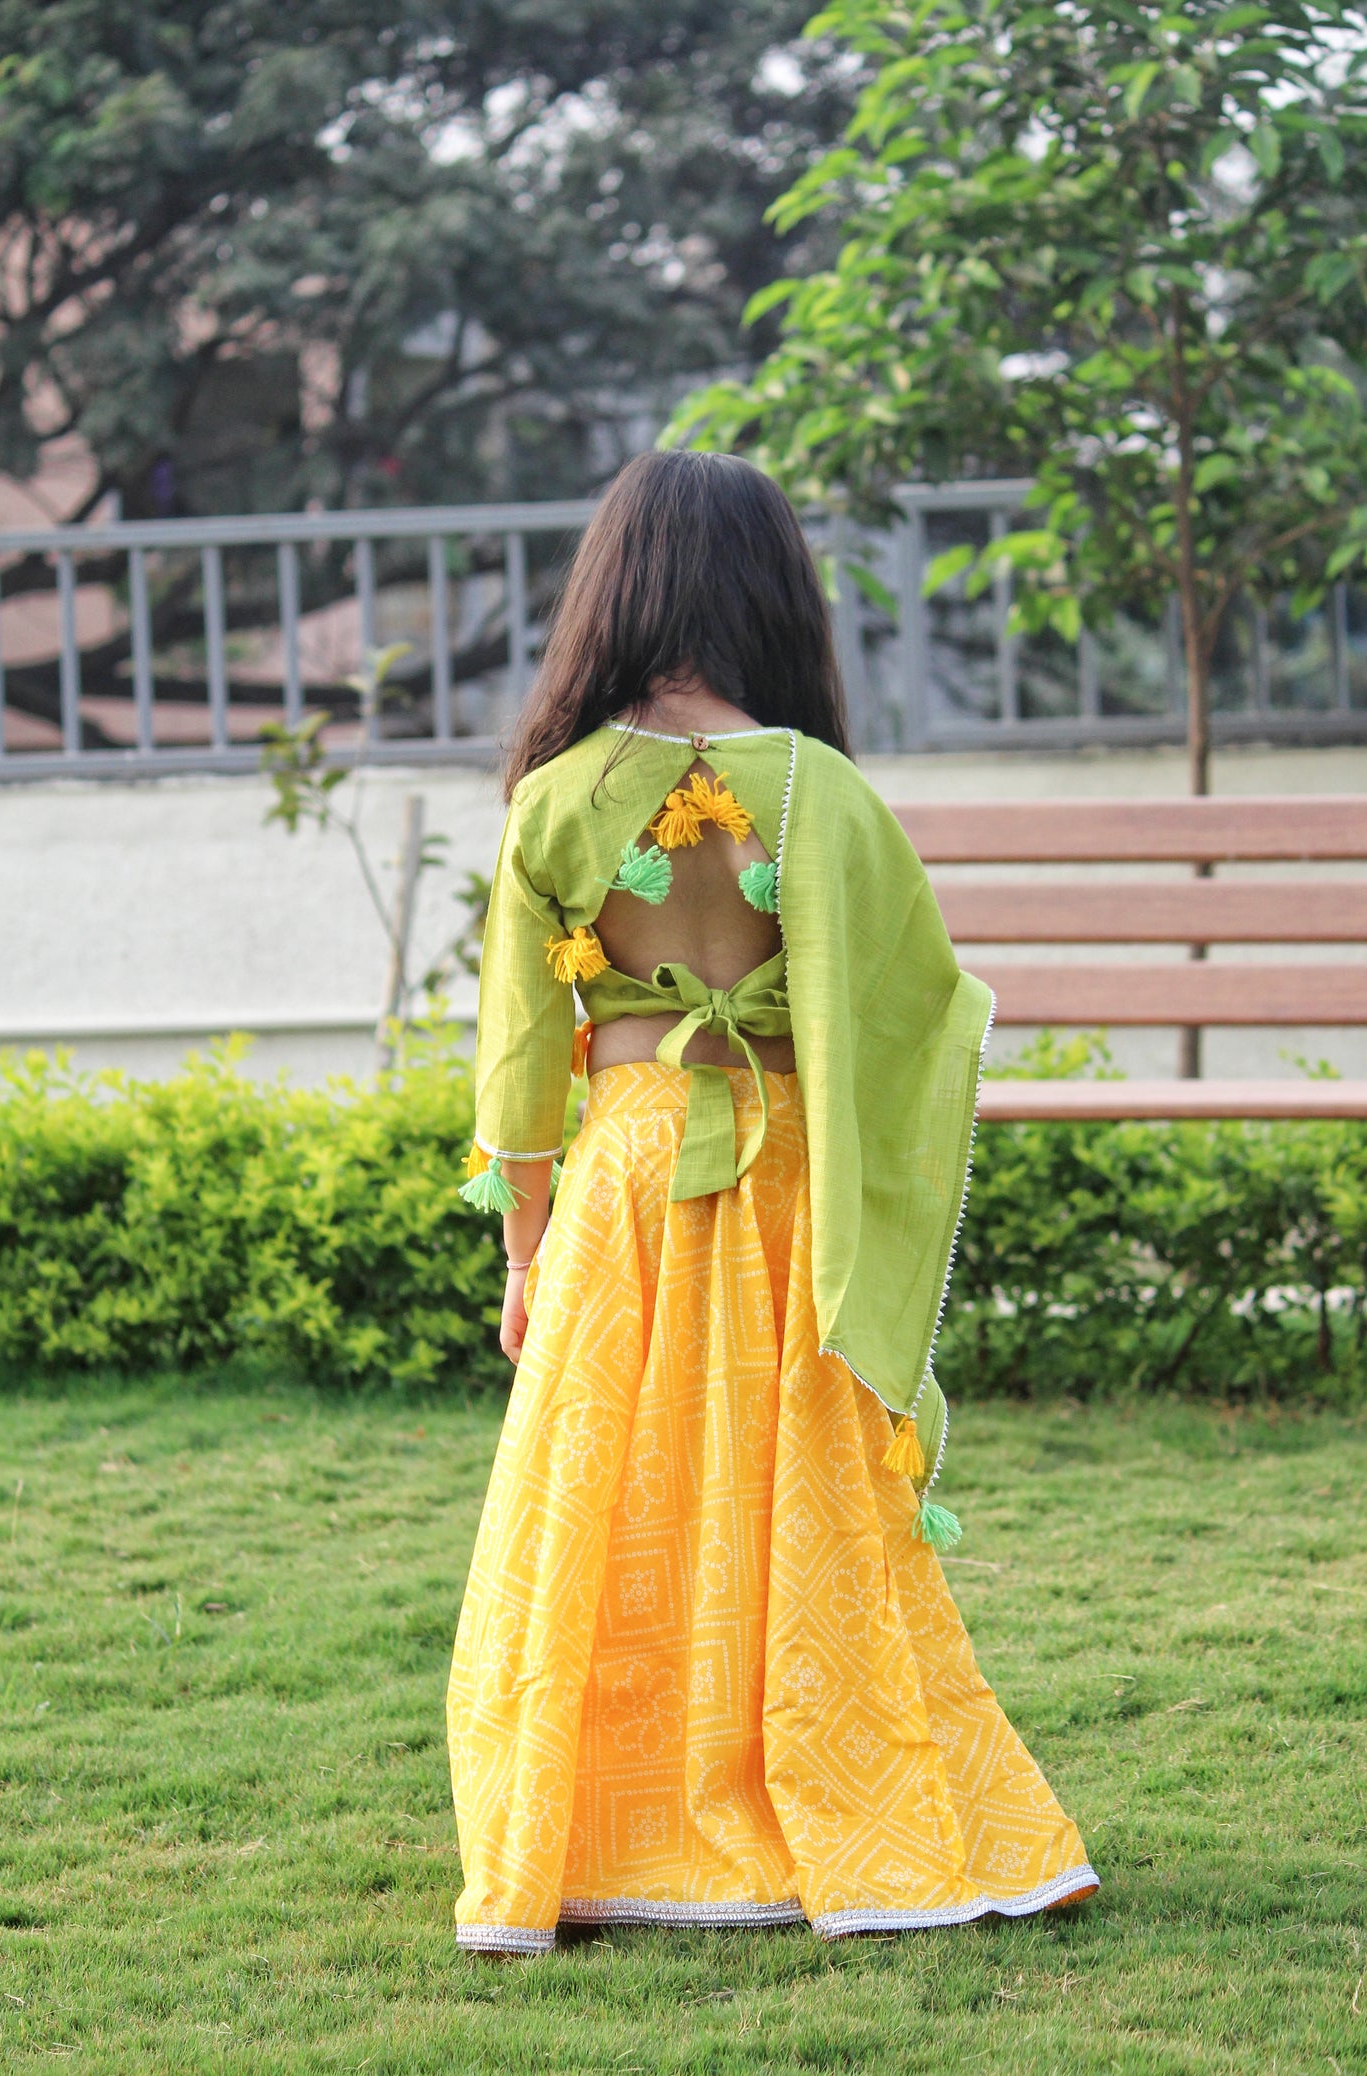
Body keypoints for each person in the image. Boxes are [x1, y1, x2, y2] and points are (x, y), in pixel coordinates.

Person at [446, 450, 1097, 1954]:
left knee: (611, 1497)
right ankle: (835, 1808)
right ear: (771, 594)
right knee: (796, 1496)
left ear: (611, 591)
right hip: (790, 1175)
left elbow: (517, 1072)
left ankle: (599, 1835)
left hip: (624, 1180)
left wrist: (523, 1255)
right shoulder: (827, 797)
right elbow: (918, 1012)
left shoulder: (554, 799)